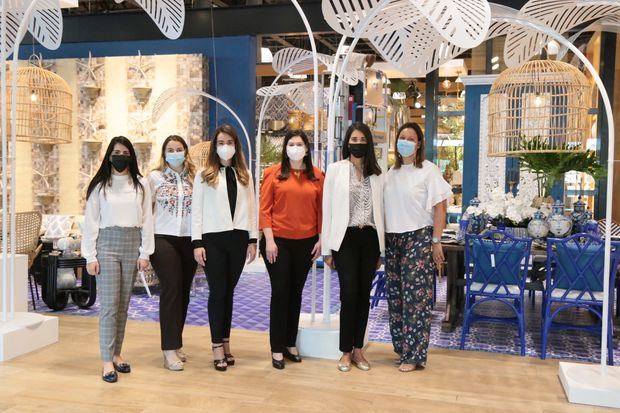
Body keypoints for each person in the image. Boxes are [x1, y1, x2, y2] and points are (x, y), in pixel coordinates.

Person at [82, 136, 154, 383]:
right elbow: (90, 221)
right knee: (109, 306)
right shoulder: (100, 185)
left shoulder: (141, 184)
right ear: (109, 156)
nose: (120, 156)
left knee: (123, 306)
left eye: (125, 152)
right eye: (116, 152)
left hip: (132, 243)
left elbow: (147, 221)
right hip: (107, 244)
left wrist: (145, 252)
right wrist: (90, 255)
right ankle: (105, 360)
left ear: (131, 156)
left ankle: (116, 353)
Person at [383, 122, 452, 372]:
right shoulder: (390, 174)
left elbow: (440, 207)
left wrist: (436, 241)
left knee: (416, 300)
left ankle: (414, 355)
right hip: (393, 241)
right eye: (401, 137)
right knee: (396, 299)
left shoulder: (428, 171)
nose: (405, 142)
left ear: (419, 143)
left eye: (410, 138)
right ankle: (402, 349)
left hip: (418, 239)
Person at [192, 125, 258, 372]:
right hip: (213, 239)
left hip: (239, 238)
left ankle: (226, 343)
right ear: (215, 146)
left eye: (229, 141)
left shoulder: (245, 174)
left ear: (236, 145)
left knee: (228, 293)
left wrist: (253, 240)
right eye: (221, 141)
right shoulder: (204, 174)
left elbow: (251, 207)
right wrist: (196, 242)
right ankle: (216, 346)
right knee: (218, 292)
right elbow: (196, 211)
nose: (225, 146)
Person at [322, 122, 384, 372]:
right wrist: (327, 248)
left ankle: (359, 349)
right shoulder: (335, 170)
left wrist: (382, 249)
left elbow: (382, 213)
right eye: (353, 139)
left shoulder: (377, 174)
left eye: (362, 139)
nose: (357, 143)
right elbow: (327, 209)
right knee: (349, 294)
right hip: (344, 239)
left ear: (368, 143)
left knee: (363, 296)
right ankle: (345, 351)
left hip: (369, 239)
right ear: (347, 142)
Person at [259, 130, 323, 370]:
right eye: (291, 144)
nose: (296, 147)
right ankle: (276, 347)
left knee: (296, 293)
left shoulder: (317, 176)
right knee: (281, 292)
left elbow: (321, 210)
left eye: (300, 144)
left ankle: (289, 343)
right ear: (285, 148)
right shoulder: (272, 174)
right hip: (278, 243)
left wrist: (320, 238)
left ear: (307, 148)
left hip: (306, 243)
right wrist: (270, 240)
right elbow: (264, 209)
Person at [148, 135, 197, 371]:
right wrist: (144, 247)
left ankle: (176, 342)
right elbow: (146, 213)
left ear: (185, 152)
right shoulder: (154, 178)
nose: (175, 152)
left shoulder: (196, 178)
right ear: (164, 153)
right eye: (170, 149)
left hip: (189, 239)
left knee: (184, 292)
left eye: (179, 149)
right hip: (162, 238)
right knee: (171, 288)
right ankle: (168, 349)